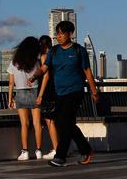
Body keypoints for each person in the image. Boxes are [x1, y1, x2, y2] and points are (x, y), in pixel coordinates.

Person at [37, 20, 99, 167]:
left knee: (65, 122)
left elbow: (88, 72)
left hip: (75, 91)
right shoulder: (54, 51)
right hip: (59, 93)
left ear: (70, 34)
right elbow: (45, 68)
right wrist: (34, 75)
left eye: (61, 33)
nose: (58, 36)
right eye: (56, 34)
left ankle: (60, 156)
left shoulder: (79, 50)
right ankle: (87, 149)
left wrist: (94, 91)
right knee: (64, 123)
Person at [7, 36, 44, 160]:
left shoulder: (14, 62)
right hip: (35, 92)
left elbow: (11, 83)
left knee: (24, 124)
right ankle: (39, 151)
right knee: (37, 123)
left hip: (20, 93)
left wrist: (10, 99)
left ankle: (25, 151)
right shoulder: (36, 61)